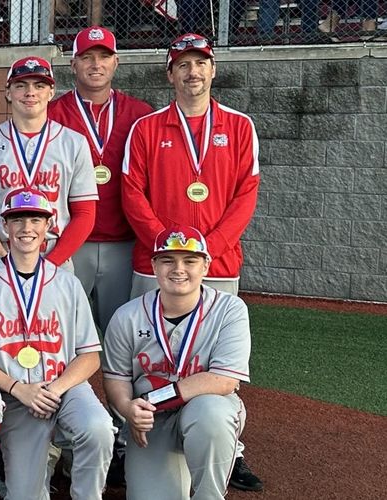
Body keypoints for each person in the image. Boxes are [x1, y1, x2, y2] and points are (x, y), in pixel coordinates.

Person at [122, 33, 262, 492]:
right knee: (151, 352)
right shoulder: (146, 128)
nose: (192, 72)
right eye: (182, 65)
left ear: (213, 69)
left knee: (219, 362)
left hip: (217, 264)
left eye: (200, 64)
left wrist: (209, 250)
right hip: (155, 263)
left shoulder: (240, 126)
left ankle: (225, 446)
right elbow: (132, 194)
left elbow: (246, 195)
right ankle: (136, 431)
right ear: (170, 74)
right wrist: (167, 248)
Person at [0, 189, 114, 500]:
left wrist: (56, 389)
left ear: (48, 226)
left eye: (35, 219)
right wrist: (18, 389)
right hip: (15, 394)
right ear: (4, 226)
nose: (26, 228)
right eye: (17, 220)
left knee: (99, 428)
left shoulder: (67, 283)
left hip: (62, 387)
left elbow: (90, 357)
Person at [102, 226, 251, 500]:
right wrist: (127, 408)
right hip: (150, 422)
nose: (178, 269)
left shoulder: (230, 310)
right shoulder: (127, 316)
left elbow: (224, 379)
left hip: (205, 408)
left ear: (205, 265)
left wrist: (153, 399)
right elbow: (116, 378)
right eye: (168, 260)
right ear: (154, 265)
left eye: (190, 261)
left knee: (211, 414)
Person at [47, 26, 155, 330]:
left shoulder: (139, 113)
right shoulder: (53, 113)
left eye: (104, 57)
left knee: (122, 333)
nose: (96, 64)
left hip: (122, 242)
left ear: (116, 62)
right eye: (87, 57)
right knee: (64, 330)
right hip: (70, 240)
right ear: (73, 64)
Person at [0, 56, 98, 268]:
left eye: (39, 85)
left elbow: (85, 213)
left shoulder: (74, 142)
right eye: (21, 85)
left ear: (51, 92)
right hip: (0, 253)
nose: (30, 93)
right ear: (8, 92)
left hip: (55, 254)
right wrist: (5, 262)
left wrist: (51, 264)